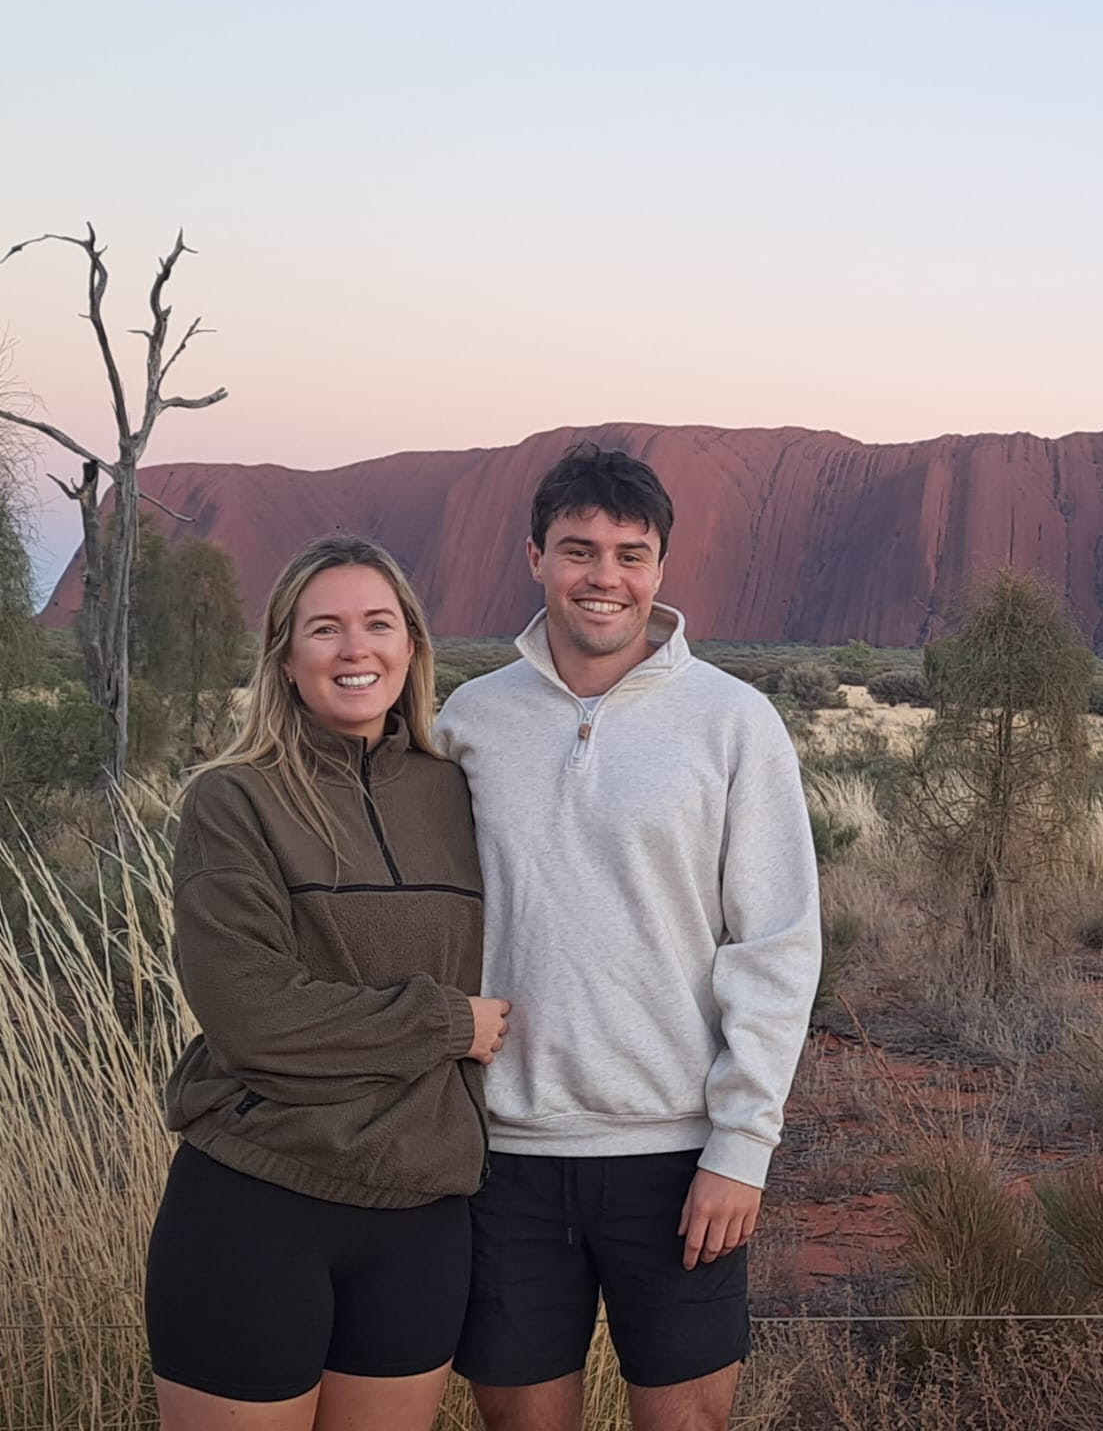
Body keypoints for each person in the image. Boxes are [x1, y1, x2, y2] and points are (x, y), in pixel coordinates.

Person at [437, 444, 821, 1431]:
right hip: (503, 1156)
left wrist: (741, 1149)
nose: (603, 577)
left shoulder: (733, 723)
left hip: (677, 1156)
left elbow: (775, 944)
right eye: (578, 550)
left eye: (628, 553)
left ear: (659, 567)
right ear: (534, 557)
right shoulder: (471, 721)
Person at [146, 536, 512, 1431]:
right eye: (326, 629)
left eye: (379, 624)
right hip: (258, 1205)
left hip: (421, 1219)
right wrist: (444, 1024)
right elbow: (254, 1019)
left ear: (414, 645)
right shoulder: (234, 800)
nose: (357, 650)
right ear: (285, 655)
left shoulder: (459, 792)